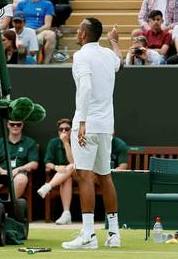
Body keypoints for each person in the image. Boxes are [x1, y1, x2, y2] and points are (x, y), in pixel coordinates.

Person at [61, 17, 123, 250]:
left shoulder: (80, 56)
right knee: (105, 176)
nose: (77, 32)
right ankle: (114, 234)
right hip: (106, 126)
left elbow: (85, 87)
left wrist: (83, 120)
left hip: (87, 124)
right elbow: (119, 61)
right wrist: (115, 42)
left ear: (85, 34)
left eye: (79, 30)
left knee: (85, 176)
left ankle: (88, 234)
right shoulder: (108, 54)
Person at [37, 118, 75, 225]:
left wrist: (66, 143)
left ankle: (48, 186)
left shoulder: (77, 141)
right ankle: (66, 213)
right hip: (63, 175)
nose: (63, 132)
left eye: (67, 129)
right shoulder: (53, 142)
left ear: (72, 130)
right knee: (66, 178)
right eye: (61, 129)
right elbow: (47, 162)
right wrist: (56, 167)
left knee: (71, 166)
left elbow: (73, 161)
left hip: (80, 175)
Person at [0, 120, 39, 200]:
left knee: (21, 179)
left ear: (22, 125)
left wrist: (18, 169)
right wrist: (2, 171)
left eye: (18, 124)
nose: (15, 126)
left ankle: (10, 209)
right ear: (8, 125)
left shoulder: (30, 142)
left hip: (19, 173)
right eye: (12, 124)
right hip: (2, 173)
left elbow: (34, 164)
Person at [15, 0, 56, 64]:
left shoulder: (47, 4)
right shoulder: (21, 4)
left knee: (51, 35)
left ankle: (45, 64)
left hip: (39, 31)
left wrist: (35, 31)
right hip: (23, 31)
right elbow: (17, 22)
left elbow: (47, 25)